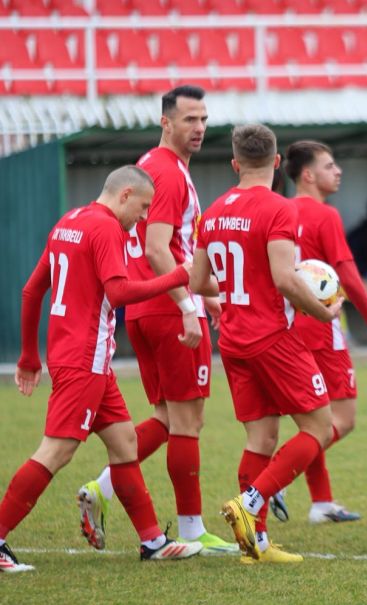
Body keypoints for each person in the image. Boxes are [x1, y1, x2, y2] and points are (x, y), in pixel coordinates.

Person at [1, 166, 205, 573]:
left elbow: (31, 289)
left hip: (82, 356)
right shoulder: (106, 227)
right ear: (125, 195)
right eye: (143, 208)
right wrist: (179, 275)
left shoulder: (69, 221)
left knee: (125, 443)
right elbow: (120, 292)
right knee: (57, 450)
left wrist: (29, 355)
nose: (144, 218)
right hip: (84, 359)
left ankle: (152, 542)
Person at [77, 85, 236, 555]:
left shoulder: (153, 166)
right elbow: (156, 248)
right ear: (166, 122)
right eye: (190, 119)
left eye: (204, 119)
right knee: (189, 421)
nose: (200, 128)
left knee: (168, 418)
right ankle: (190, 530)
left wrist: (202, 298)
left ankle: (102, 489)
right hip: (168, 309)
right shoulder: (165, 172)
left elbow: (165, 247)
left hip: (149, 308)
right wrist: (189, 306)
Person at [190, 124, 343, 564]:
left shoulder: (214, 211)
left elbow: (199, 281)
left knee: (261, 437)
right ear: (277, 164)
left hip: (235, 341)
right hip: (272, 337)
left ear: (235, 164)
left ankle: (254, 546)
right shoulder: (279, 207)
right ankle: (251, 502)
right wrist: (323, 312)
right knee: (318, 427)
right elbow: (283, 278)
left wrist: (238, 285)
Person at [268, 140, 367, 525]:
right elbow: (348, 274)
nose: (338, 171)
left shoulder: (278, 210)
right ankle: (282, 471)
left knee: (314, 420)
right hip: (322, 326)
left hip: (286, 326)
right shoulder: (324, 215)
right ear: (308, 175)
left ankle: (322, 503)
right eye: (330, 165)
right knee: (344, 418)